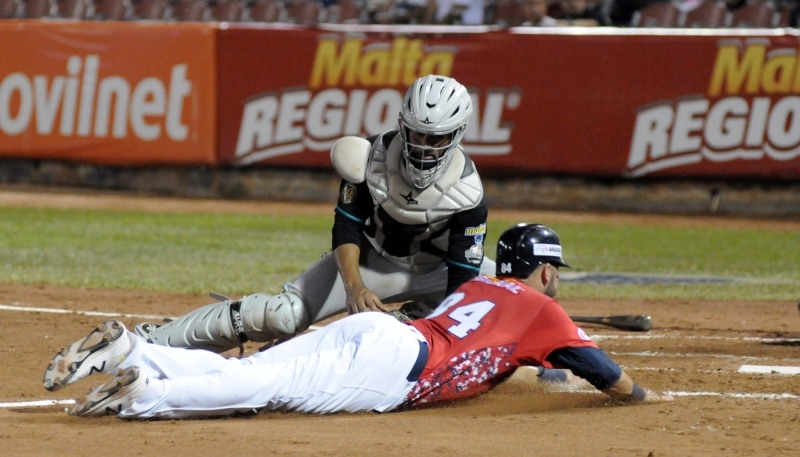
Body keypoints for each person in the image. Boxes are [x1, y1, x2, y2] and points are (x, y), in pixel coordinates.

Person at [42, 223, 674, 418]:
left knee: (264, 368)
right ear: (543, 270)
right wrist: (641, 397)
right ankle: (146, 395)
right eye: (555, 269)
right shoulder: (543, 308)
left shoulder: (479, 284)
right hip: (391, 368)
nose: (558, 278)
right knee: (268, 390)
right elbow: (603, 372)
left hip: (380, 332)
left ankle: (132, 351)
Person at [133, 74, 496, 355]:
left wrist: (425, 329)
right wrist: (354, 287)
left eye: (435, 139)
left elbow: (461, 282)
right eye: (416, 134)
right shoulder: (367, 156)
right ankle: (155, 341)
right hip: (374, 261)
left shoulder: (469, 193)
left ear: (457, 135)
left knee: (504, 296)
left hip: (438, 272)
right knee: (282, 315)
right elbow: (347, 226)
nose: (422, 148)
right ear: (403, 124)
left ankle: (545, 365)